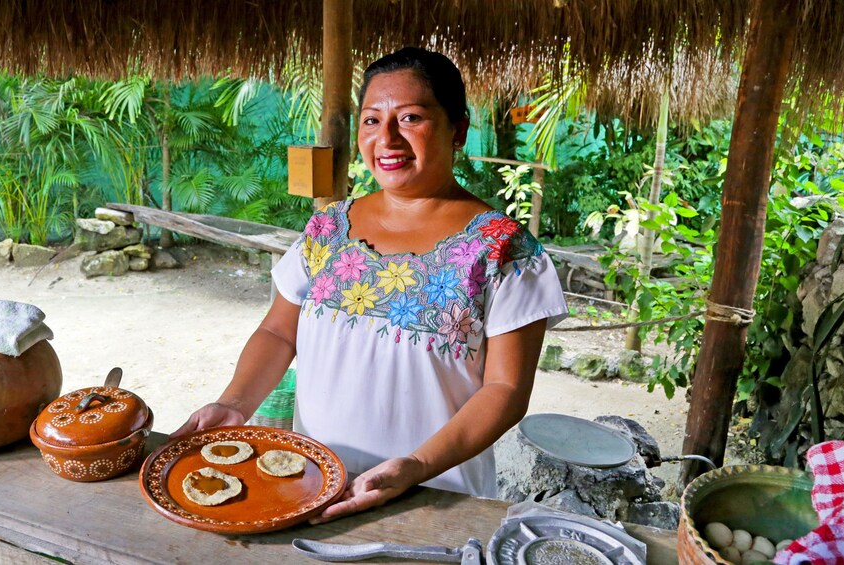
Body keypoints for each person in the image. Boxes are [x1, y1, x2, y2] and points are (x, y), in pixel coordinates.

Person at [172, 47, 567, 523]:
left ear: (457, 129)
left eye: (411, 118)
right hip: (311, 485)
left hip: (435, 498)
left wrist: (417, 466)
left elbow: (505, 389)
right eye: (372, 120)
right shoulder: (328, 229)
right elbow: (279, 332)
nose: (388, 138)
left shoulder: (502, 249)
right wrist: (234, 404)